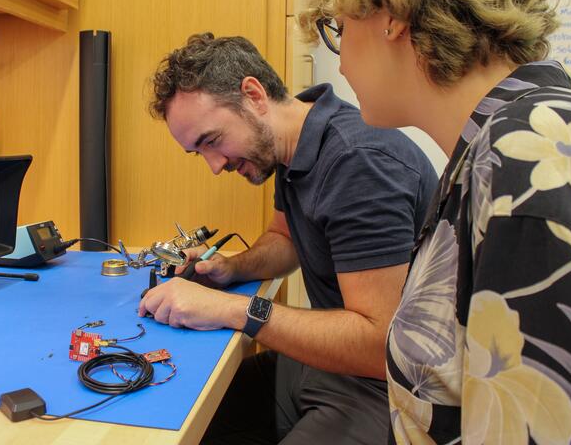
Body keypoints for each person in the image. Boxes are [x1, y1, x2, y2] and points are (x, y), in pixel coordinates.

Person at [299, 0, 571, 443]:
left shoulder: (525, 159)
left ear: (392, 15)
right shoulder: (494, 147)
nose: (341, 62)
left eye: (339, 30)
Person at [139, 32, 438, 444]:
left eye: (212, 141)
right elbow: (286, 238)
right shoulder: (291, 148)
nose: (214, 165)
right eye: (198, 152)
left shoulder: (357, 162)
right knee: (185, 414)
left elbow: (378, 345)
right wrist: (230, 268)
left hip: (388, 388)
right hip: (327, 367)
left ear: (253, 95)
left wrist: (231, 309)